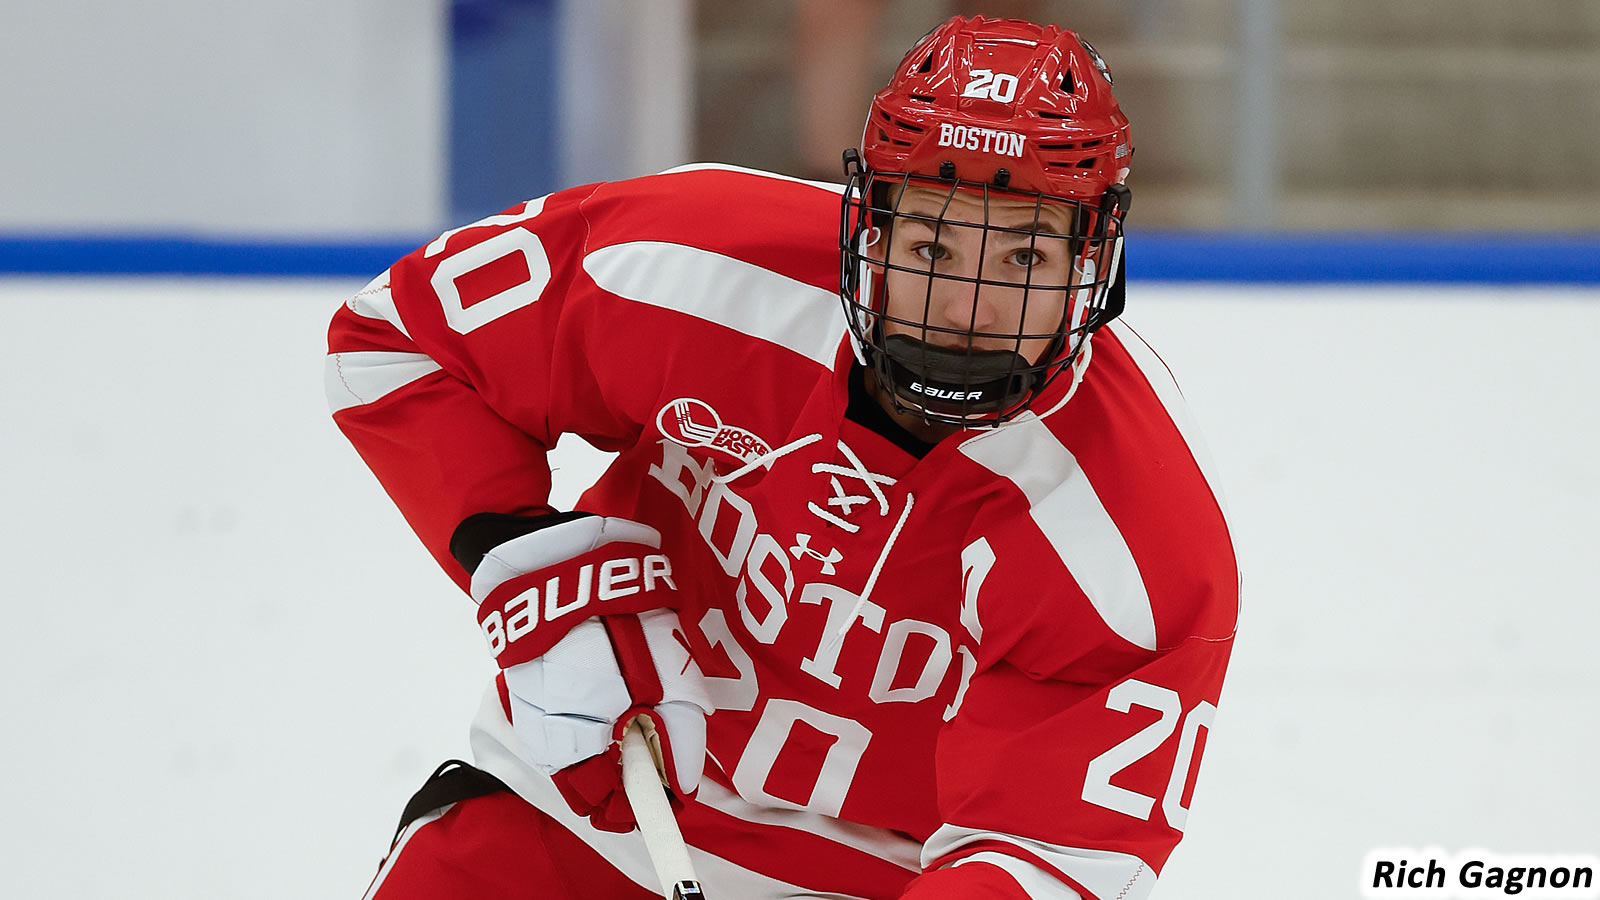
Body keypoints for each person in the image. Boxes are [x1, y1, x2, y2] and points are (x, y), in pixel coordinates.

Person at [327, 15, 1237, 900]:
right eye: (932, 246)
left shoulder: (1135, 539)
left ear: (1095, 264)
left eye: (1025, 258)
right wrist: (537, 572)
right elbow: (396, 341)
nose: (967, 309)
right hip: (587, 806)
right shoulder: (699, 268)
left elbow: (1045, 859)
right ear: (868, 229)